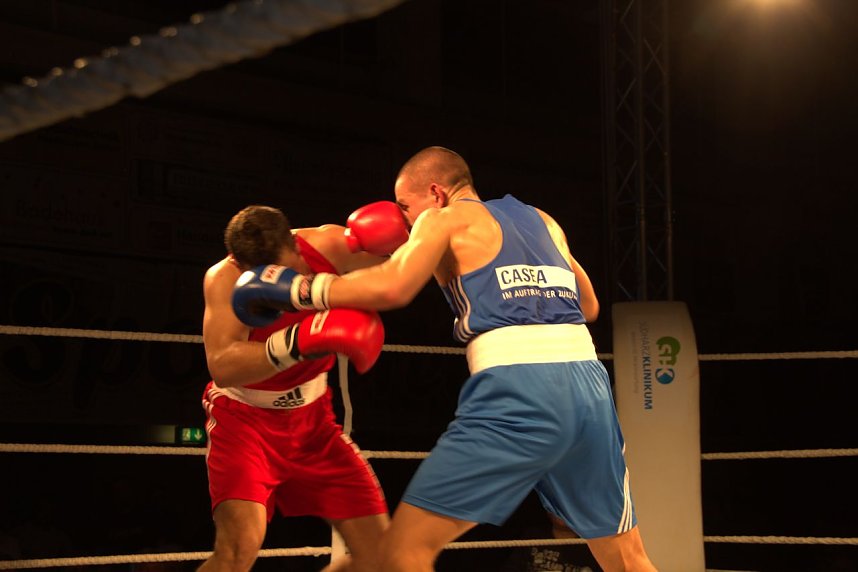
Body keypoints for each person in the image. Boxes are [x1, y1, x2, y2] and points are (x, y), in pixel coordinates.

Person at [232, 147, 658, 572]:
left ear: (435, 193)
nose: (403, 220)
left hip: (518, 390)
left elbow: (392, 287)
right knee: (626, 557)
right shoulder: (543, 219)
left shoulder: (442, 218)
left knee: (401, 553)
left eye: (404, 206)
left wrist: (297, 290)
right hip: (589, 389)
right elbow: (588, 305)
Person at [200, 202, 408, 572]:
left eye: (282, 270)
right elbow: (222, 365)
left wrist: (400, 242)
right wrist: (299, 341)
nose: (273, 285)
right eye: (260, 276)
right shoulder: (224, 279)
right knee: (237, 550)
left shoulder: (329, 245)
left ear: (294, 245)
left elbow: (400, 273)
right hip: (245, 424)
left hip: (314, 424)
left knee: (380, 556)